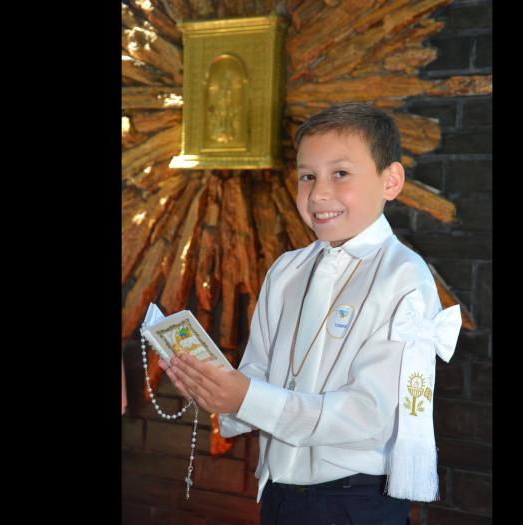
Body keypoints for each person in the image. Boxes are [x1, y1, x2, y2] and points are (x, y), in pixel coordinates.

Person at [162, 102, 461, 524]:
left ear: (390, 180)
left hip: (353, 502)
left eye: (340, 173)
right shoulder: (287, 270)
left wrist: (246, 397)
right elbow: (258, 372)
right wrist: (217, 390)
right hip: (280, 496)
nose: (318, 193)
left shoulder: (403, 276)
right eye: (307, 176)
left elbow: (370, 414)